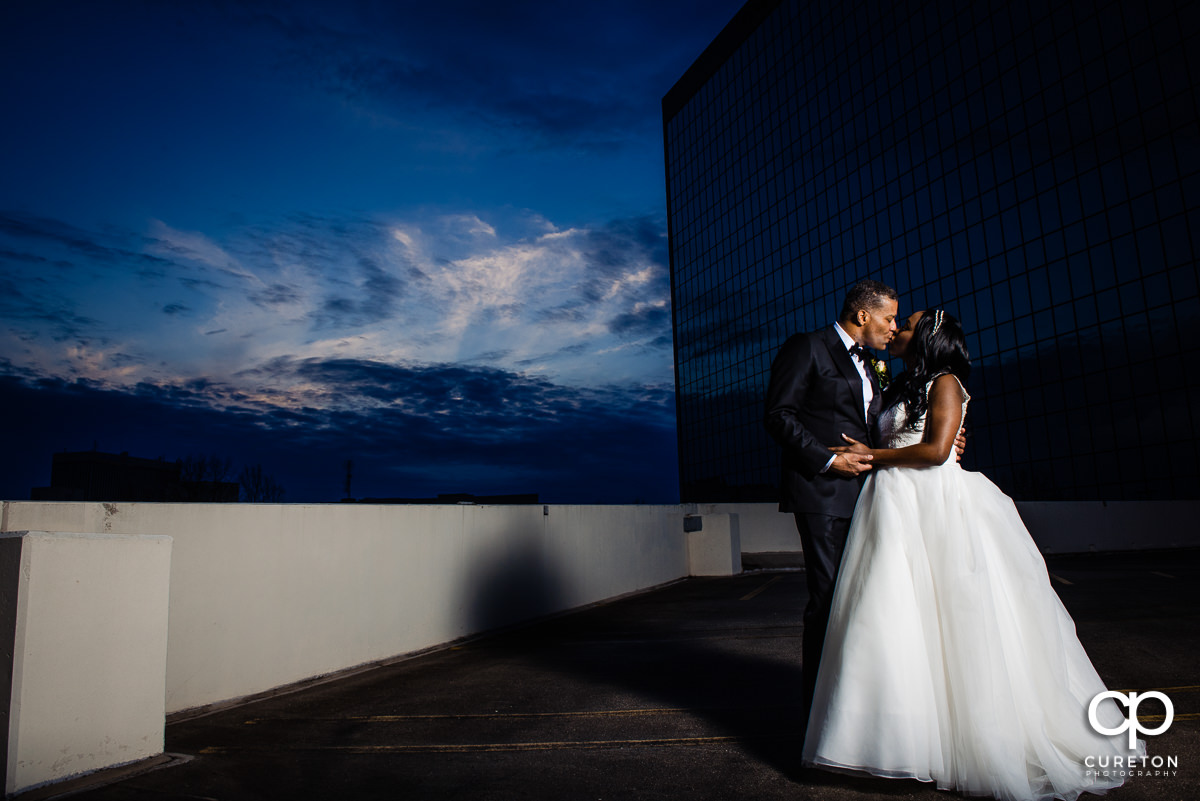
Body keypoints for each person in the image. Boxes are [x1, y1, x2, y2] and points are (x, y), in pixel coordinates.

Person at [801, 309, 1144, 801]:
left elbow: (938, 450)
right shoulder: (897, 386)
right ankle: (898, 739)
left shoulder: (946, 381)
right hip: (892, 502)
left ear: (928, 338)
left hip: (930, 500)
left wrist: (874, 455)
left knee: (954, 615)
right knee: (894, 615)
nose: (896, 331)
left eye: (907, 324)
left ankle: (976, 739)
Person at [763, 279, 900, 720]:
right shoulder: (808, 346)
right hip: (822, 493)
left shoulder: (873, 365)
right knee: (828, 601)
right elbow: (778, 415)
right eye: (889, 318)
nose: (893, 327)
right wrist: (826, 461)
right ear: (863, 315)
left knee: (863, 600)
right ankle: (819, 719)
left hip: (868, 496)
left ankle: (856, 708)